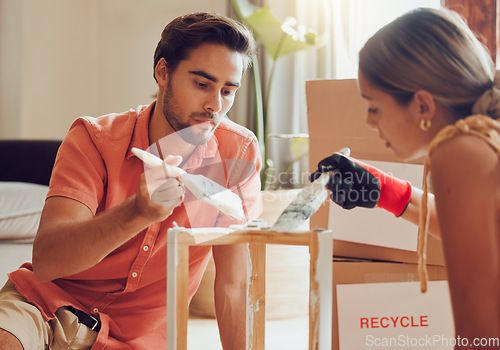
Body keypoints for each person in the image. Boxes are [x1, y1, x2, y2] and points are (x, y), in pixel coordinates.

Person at [0, 12, 261, 349]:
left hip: (136, 339)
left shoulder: (236, 153)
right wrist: (137, 212)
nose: (215, 106)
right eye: (201, 84)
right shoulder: (93, 140)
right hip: (44, 306)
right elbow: (48, 262)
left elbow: (234, 285)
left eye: (228, 91)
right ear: (163, 72)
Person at [311, 7, 500, 347]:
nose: (370, 122)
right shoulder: (484, 139)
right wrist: (385, 190)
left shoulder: (459, 152)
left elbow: (481, 333)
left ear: (423, 106)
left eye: (374, 106)